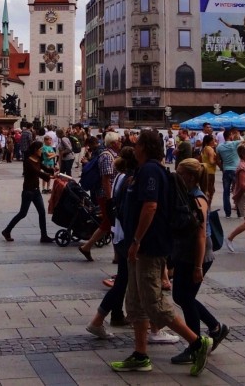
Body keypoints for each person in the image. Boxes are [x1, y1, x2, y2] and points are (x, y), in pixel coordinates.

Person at [110, 129, 212, 376]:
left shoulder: (151, 171)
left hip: (149, 247)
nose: (133, 148)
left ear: (145, 147)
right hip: (138, 248)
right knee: (135, 303)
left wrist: (136, 240)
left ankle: (198, 343)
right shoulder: (142, 171)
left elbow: (151, 206)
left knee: (154, 303)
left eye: (137, 144)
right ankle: (140, 354)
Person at [168, 158, 229, 365]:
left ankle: (195, 345)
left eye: (180, 173)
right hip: (186, 253)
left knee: (184, 298)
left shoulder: (198, 199)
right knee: (184, 297)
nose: (177, 176)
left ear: (191, 177)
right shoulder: (185, 194)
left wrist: (197, 266)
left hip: (197, 254)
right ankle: (215, 328)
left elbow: (201, 235)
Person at [86, 146, 137, 336]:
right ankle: (99, 320)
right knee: (125, 281)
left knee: (123, 279)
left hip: (119, 233)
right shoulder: (129, 179)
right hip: (126, 235)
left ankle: (115, 315)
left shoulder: (121, 177)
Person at [2, 140, 56, 244]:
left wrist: (53, 170)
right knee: (23, 213)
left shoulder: (38, 160)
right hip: (28, 191)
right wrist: (50, 176)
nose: (42, 151)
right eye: (41, 149)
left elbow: (44, 168)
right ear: (35, 150)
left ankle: (44, 236)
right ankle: (7, 231)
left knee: (42, 212)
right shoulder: (28, 161)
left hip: (36, 191)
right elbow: (38, 172)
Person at [79, 131, 120, 261]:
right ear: (113, 143)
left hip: (108, 194)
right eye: (119, 140)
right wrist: (110, 199)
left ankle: (115, 255)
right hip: (105, 194)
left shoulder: (111, 154)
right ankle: (87, 246)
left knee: (110, 223)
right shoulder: (107, 156)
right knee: (109, 223)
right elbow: (106, 179)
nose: (120, 142)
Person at [215, 128, 241, 218]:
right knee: (238, 190)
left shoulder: (219, 147)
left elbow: (217, 160)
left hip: (226, 170)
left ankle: (228, 213)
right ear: (230, 135)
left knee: (226, 192)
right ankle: (239, 211)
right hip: (236, 170)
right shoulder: (235, 143)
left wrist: (222, 168)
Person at [199, 134, 217, 206]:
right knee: (210, 191)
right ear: (210, 141)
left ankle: (205, 205)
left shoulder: (204, 148)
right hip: (210, 172)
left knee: (205, 190)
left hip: (204, 170)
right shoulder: (210, 149)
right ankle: (207, 206)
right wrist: (218, 159)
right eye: (213, 140)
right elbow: (211, 161)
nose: (214, 141)